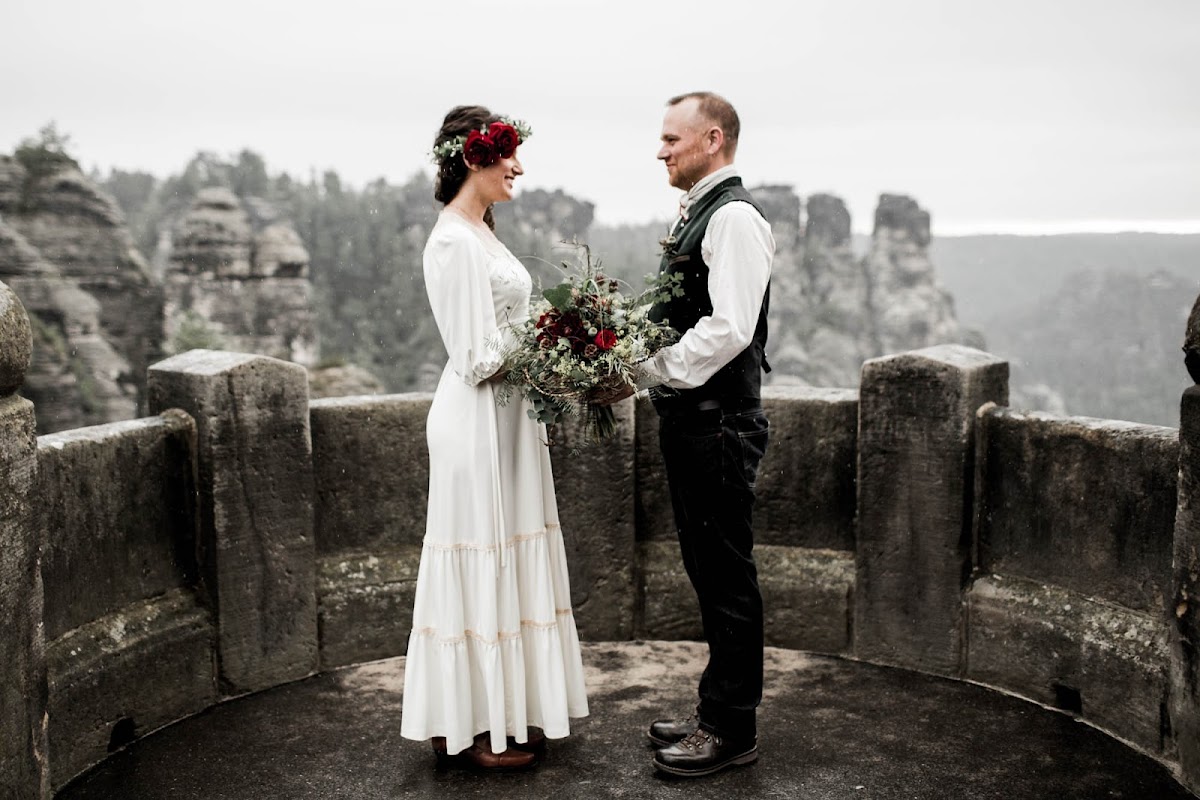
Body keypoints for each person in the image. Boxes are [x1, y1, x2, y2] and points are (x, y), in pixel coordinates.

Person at [400, 105, 589, 771]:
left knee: (510, 554)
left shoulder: (482, 231)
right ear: (472, 158)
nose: (518, 166)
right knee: (485, 554)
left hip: (509, 418)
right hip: (477, 419)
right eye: (508, 153)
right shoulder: (453, 240)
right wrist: (553, 336)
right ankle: (477, 729)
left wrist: (566, 335)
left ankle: (500, 714)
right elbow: (476, 356)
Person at [599, 91, 774, 778]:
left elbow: (729, 330)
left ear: (712, 139)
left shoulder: (733, 218)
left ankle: (731, 730)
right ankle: (715, 711)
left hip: (719, 424)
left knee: (726, 576)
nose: (661, 151)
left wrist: (641, 371)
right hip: (696, 420)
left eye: (672, 139)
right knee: (708, 570)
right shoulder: (702, 213)